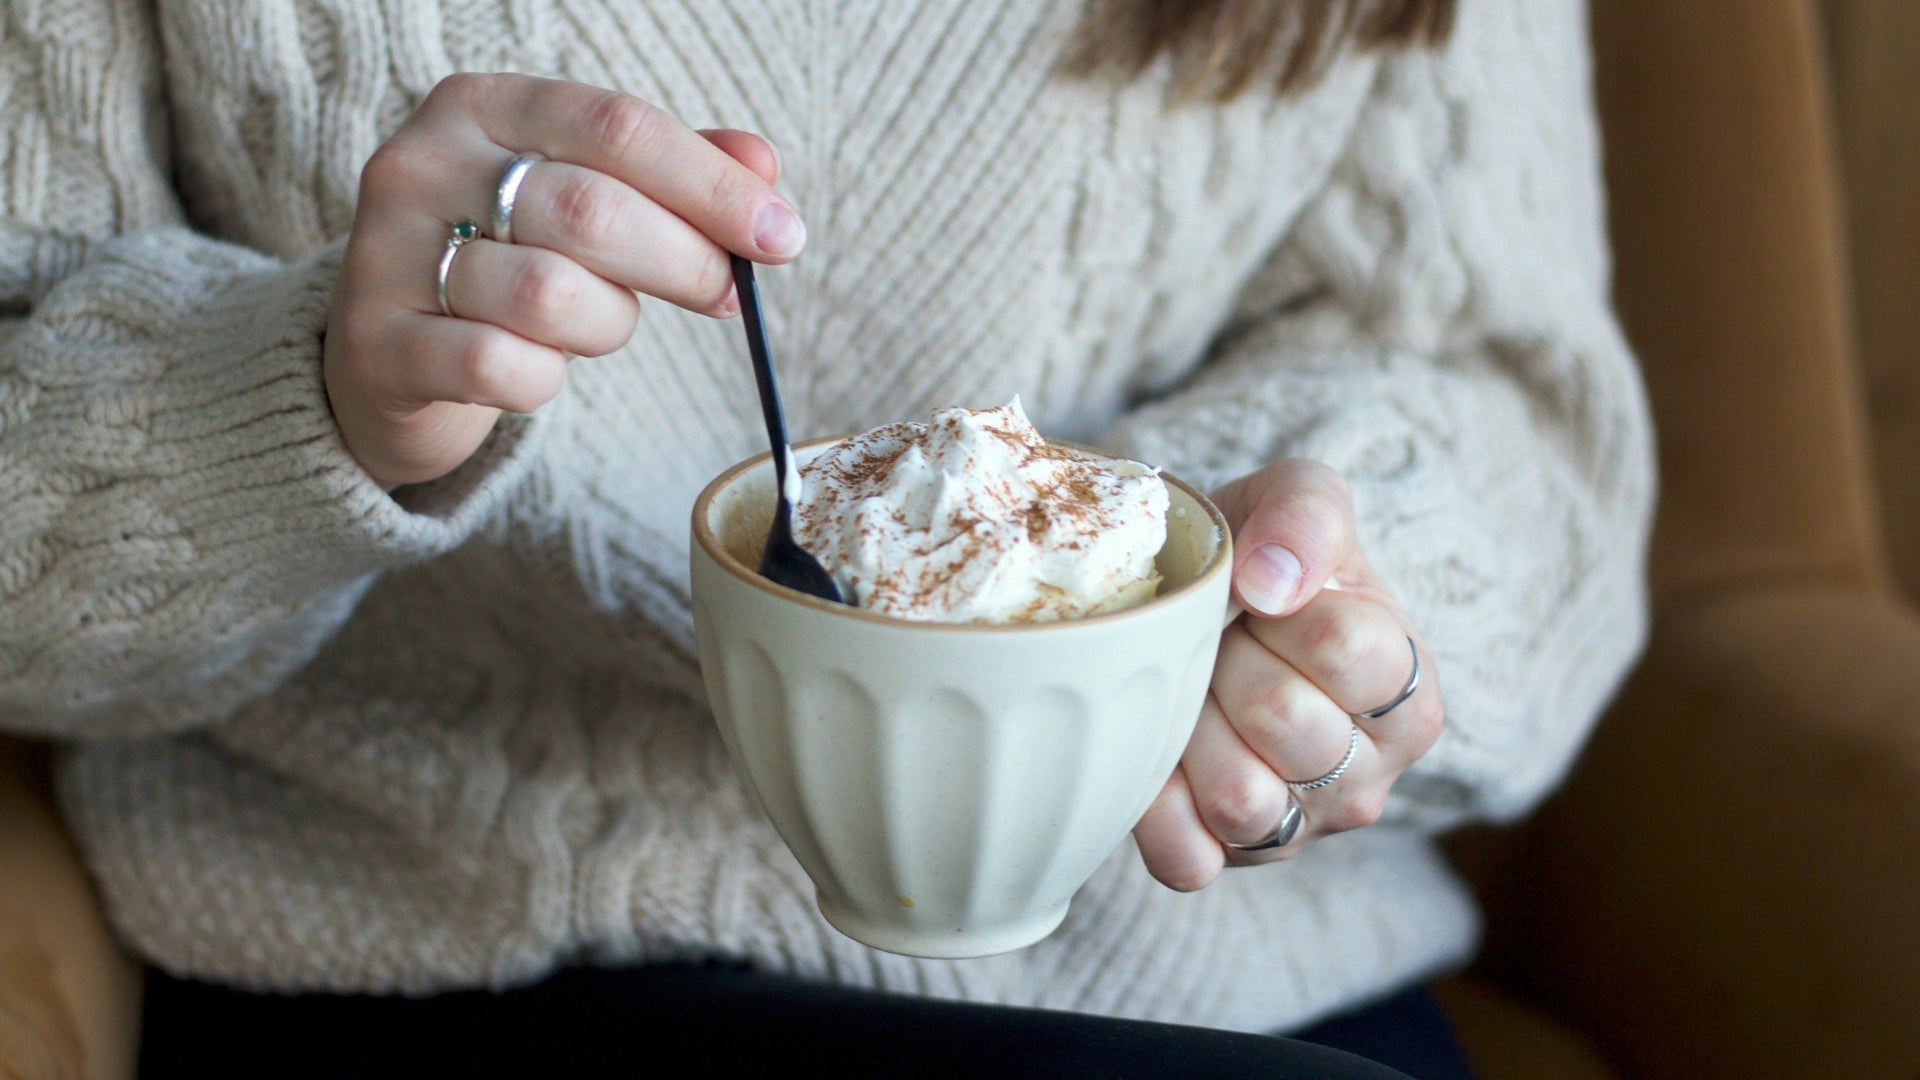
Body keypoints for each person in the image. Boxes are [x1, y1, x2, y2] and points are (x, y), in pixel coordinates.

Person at [0, 0, 1652, 1075]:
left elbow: (1508, 393)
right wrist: (315, 395)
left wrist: (1311, 603)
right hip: (470, 954)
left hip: (1236, 978)